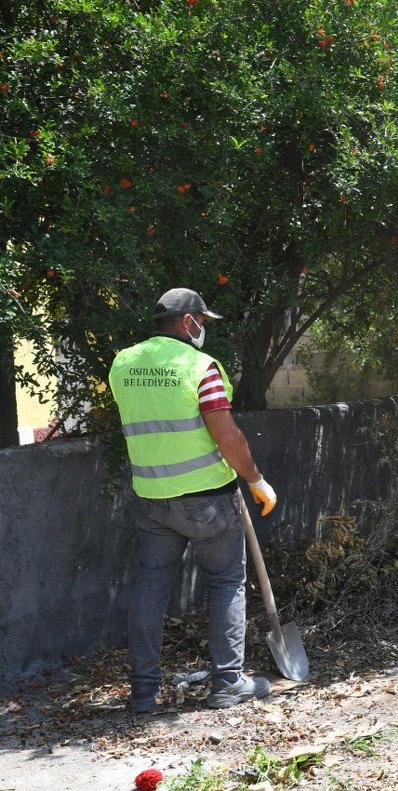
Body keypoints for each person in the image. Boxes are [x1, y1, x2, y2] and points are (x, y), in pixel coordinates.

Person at [108, 288, 279, 713]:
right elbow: (226, 435)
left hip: (152, 498)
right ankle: (226, 685)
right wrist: (256, 480)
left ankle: (143, 693)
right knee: (225, 583)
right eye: (202, 321)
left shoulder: (123, 363)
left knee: (151, 587)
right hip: (207, 501)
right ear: (188, 322)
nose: (203, 329)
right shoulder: (201, 367)